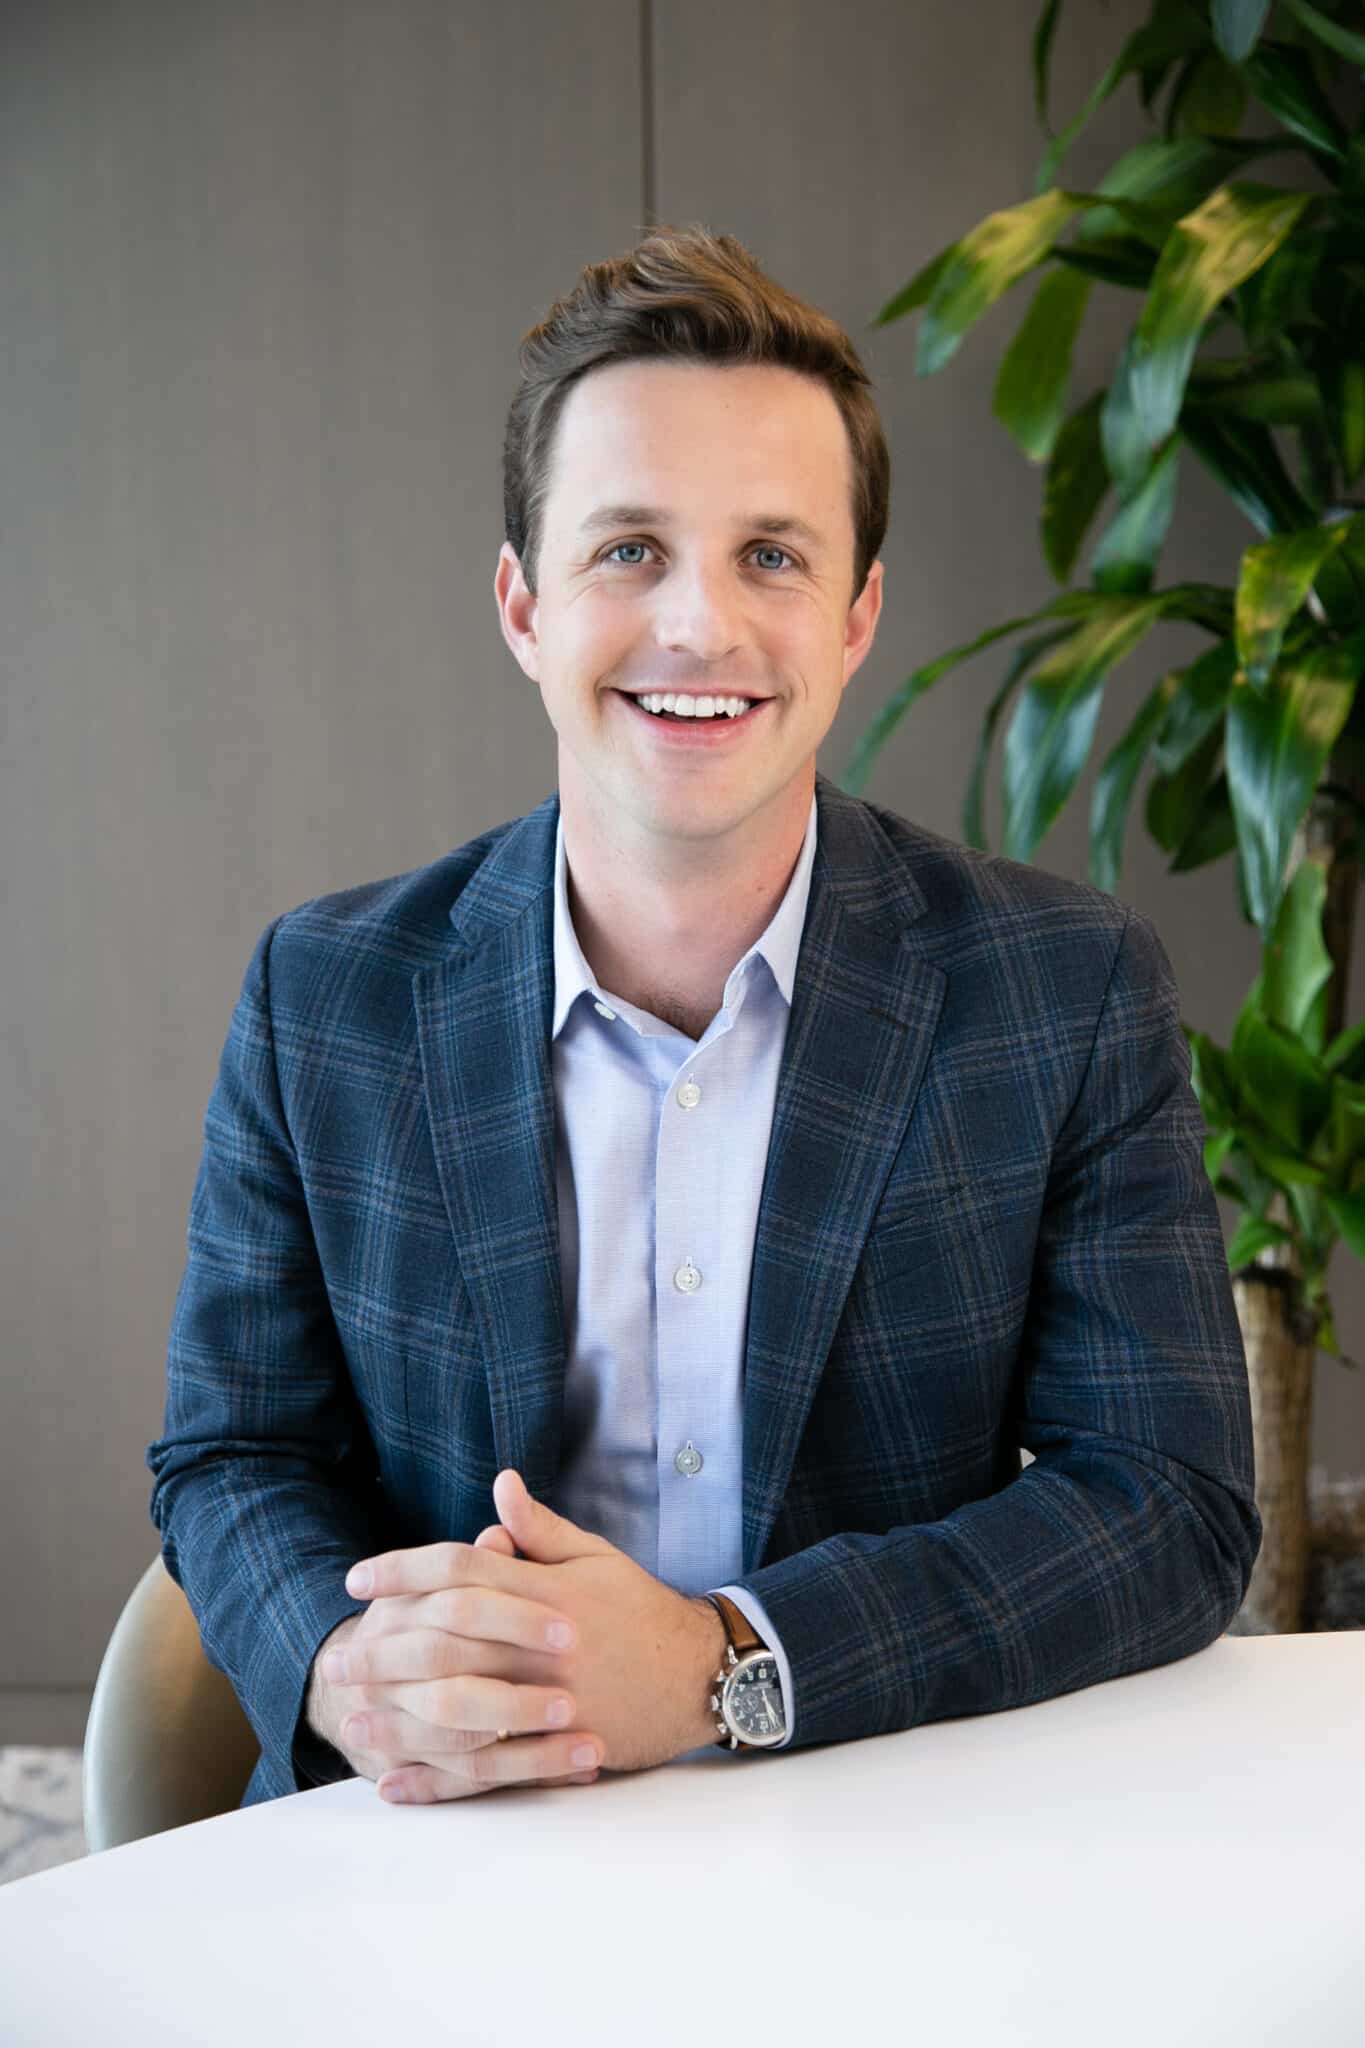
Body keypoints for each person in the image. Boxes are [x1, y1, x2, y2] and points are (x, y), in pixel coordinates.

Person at [146, 224, 1261, 1810]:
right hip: (442, 1841)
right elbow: (229, 1454)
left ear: (856, 614)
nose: (699, 627)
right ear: (524, 607)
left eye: (771, 555)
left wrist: (725, 1662)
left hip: (893, 1825)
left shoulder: (1062, 990)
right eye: (627, 551)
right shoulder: (321, 997)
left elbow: (1170, 1499)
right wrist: (347, 1670)